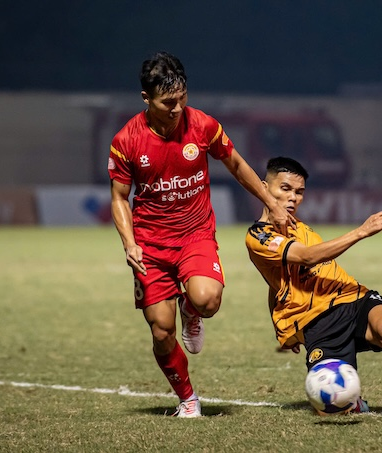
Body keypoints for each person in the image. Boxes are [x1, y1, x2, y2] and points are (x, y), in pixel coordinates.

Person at [108, 52, 293, 418]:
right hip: (150, 245)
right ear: (146, 99)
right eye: (168, 102)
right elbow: (119, 198)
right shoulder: (127, 140)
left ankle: (190, 310)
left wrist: (271, 201)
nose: (177, 108)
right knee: (161, 331)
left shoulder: (203, 125)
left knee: (207, 300)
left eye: (182, 98)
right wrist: (129, 244)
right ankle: (188, 399)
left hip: (195, 234)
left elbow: (235, 164)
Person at [245, 156, 382, 417]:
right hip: (317, 320)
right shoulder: (259, 236)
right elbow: (306, 258)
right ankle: (353, 404)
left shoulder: (300, 227)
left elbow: (275, 280)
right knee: (331, 408)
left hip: (352, 296)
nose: (293, 198)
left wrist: (279, 322)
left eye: (299, 192)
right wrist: (361, 232)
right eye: (285, 188)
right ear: (264, 188)